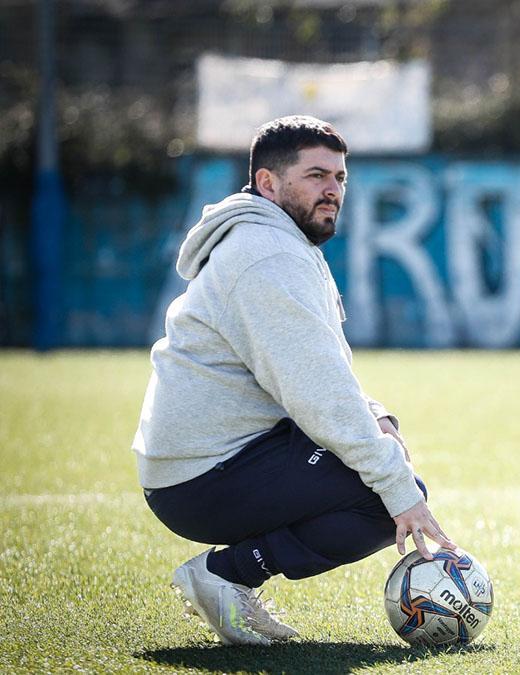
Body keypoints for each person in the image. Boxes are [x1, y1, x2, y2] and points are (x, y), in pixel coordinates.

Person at [132, 115, 455, 646]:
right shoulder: (266, 257)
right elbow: (318, 396)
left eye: (340, 178)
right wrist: (401, 492)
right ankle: (226, 574)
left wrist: (377, 418)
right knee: (381, 498)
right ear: (268, 183)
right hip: (201, 478)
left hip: (219, 459)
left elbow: (319, 370)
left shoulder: (282, 246)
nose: (333, 191)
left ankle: (229, 573)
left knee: (380, 466)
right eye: (315, 176)